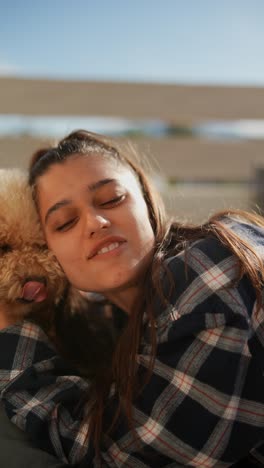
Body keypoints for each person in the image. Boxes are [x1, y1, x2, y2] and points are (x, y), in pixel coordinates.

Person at [0, 129, 264, 467]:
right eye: (65, 222)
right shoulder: (117, 323)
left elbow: (131, 455)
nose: (95, 222)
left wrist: (9, 330)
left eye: (111, 199)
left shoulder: (209, 269)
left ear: (147, 199)